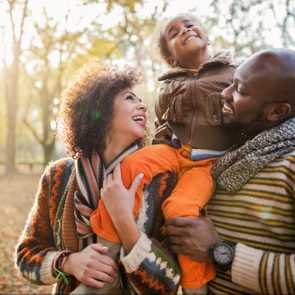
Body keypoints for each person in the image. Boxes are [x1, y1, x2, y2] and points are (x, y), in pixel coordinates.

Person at [90, 14, 239, 294]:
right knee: (133, 165)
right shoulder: (168, 86)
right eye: (174, 33)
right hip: (174, 151)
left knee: (181, 211)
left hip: (210, 162)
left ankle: (196, 287)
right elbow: (162, 128)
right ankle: (105, 254)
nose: (185, 30)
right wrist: (157, 153)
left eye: (191, 26)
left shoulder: (234, 72)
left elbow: (250, 110)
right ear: (171, 59)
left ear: (207, 38)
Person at [15, 59, 181, 295]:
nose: (143, 106)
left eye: (141, 100)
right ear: (100, 109)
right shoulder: (58, 177)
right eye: (129, 98)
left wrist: (124, 221)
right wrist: (68, 262)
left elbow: (169, 283)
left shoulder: (160, 181)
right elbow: (25, 256)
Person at [166, 48, 295, 294]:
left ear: (277, 111)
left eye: (240, 90)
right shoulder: (227, 153)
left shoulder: (290, 165)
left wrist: (220, 252)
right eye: (231, 83)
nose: (225, 93)